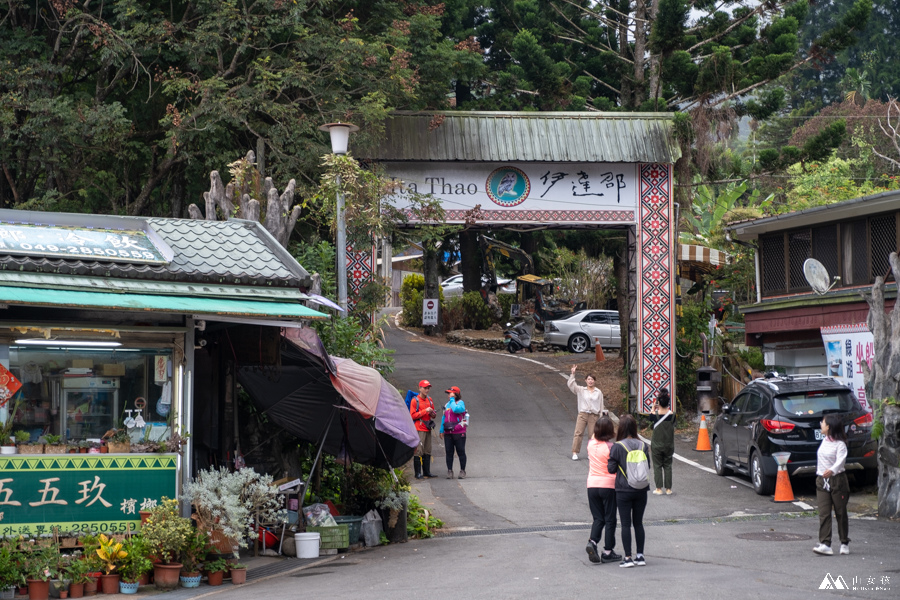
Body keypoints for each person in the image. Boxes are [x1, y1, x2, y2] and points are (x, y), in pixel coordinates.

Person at [607, 414, 651, 568]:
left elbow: (611, 469)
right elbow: (648, 467)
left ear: (621, 428)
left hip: (623, 490)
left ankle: (627, 557)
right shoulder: (643, 445)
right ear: (634, 427)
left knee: (625, 524)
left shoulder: (617, 446)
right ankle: (640, 556)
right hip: (641, 489)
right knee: (638, 523)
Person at [585, 416, 621, 564]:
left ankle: (592, 541)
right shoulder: (611, 448)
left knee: (598, 518)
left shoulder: (590, 444)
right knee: (610, 518)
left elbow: (595, 436)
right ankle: (607, 551)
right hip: (608, 485)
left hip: (592, 485)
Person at [813, 413, 850, 556]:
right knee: (824, 513)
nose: (821, 424)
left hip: (837, 480)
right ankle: (825, 543)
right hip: (822, 480)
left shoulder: (840, 444)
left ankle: (844, 541)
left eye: (823, 422)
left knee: (840, 513)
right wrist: (823, 473)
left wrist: (832, 470)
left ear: (829, 426)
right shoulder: (824, 441)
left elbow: (841, 460)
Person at [569, 365, 605, 460]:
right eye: (588, 379)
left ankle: (591, 453)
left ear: (595, 381)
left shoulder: (598, 392)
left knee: (592, 435)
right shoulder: (581, 390)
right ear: (585, 380)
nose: (590, 381)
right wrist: (572, 374)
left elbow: (601, 405)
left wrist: (601, 417)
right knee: (578, 433)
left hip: (594, 415)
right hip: (583, 414)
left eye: (592, 379)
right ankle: (575, 452)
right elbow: (571, 385)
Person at [648, 388, 675, 496]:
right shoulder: (672, 415)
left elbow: (650, 416)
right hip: (669, 444)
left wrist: (653, 407)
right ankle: (668, 489)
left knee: (657, 466)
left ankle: (658, 489)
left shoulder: (654, 415)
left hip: (656, 445)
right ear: (668, 402)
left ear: (658, 402)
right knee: (668, 465)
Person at [410, 380, 437, 479]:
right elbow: (412, 416)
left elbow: (433, 414)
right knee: (418, 450)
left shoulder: (430, 400)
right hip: (419, 428)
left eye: (428, 388)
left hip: (427, 428)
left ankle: (427, 472)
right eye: (425, 388)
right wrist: (425, 411)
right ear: (419, 388)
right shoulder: (415, 400)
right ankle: (417, 473)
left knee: (427, 450)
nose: (427, 390)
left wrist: (432, 414)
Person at [440, 386, 468, 479]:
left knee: (460, 451)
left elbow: (456, 410)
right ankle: (449, 471)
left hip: (459, 432)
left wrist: (452, 400)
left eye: (450, 393)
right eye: (448, 394)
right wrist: (441, 430)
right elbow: (444, 417)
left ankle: (462, 470)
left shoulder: (460, 403)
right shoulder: (447, 404)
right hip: (448, 432)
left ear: (456, 394)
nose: (449, 395)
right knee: (449, 452)